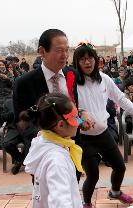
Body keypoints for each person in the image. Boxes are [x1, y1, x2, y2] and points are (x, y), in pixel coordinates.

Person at [72, 42, 133, 208]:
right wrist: (78, 122)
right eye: (82, 59)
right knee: (93, 175)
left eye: (90, 58)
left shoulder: (104, 79)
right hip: (84, 138)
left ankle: (115, 192)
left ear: (96, 60)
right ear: (76, 62)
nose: (87, 62)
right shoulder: (73, 83)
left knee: (120, 167)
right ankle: (86, 203)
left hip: (103, 133)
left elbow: (121, 99)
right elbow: (68, 111)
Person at [22, 93, 94, 208]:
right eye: (75, 117)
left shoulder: (44, 140)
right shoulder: (57, 160)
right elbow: (60, 206)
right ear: (61, 125)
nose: (79, 120)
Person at [13, 29, 89, 157]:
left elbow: (70, 110)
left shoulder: (72, 74)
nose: (65, 55)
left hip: (72, 149)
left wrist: (81, 120)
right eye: (59, 50)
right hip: (44, 153)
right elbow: (22, 122)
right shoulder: (24, 83)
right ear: (42, 51)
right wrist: (52, 140)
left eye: (67, 50)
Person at [1, 99, 26, 175]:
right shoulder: (8, 102)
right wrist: (11, 114)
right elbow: (3, 117)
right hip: (13, 129)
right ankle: (21, 160)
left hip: (28, 128)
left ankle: (21, 161)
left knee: (33, 143)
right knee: (6, 144)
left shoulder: (29, 99)